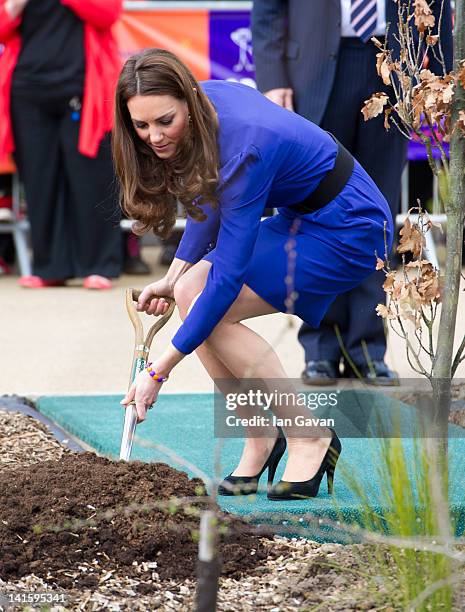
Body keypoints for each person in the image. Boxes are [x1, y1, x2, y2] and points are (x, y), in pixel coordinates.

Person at [115, 49, 393, 500]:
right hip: (302, 217)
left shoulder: (245, 143)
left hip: (349, 227)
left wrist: (158, 371)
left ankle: (308, 436)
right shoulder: (203, 109)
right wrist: (173, 274)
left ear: (186, 97)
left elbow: (227, 278)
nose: (155, 137)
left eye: (164, 121)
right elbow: (213, 201)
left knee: (206, 298)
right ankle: (260, 436)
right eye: (141, 126)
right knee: (188, 290)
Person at [251, 0, 453, 385]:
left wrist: (440, 78)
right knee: (312, 214)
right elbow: (268, 9)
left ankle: (367, 348)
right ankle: (319, 348)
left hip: (394, 69)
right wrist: (273, 77)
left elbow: (440, 6)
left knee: (377, 215)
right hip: (311, 72)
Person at [0, 0, 124, 289]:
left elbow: (108, 14)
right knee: (40, 180)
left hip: (82, 85)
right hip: (28, 88)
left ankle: (99, 265)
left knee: (91, 176)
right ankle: (50, 267)